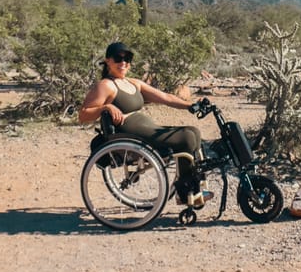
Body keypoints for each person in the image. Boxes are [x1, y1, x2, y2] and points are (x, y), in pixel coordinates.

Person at [79, 41, 212, 207]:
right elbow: (83, 114)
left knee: (193, 132)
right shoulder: (106, 85)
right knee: (186, 137)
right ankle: (185, 193)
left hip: (146, 126)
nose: (123, 62)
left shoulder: (133, 83)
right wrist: (106, 107)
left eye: (127, 58)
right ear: (108, 61)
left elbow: (165, 97)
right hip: (130, 132)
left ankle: (192, 186)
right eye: (118, 58)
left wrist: (190, 106)